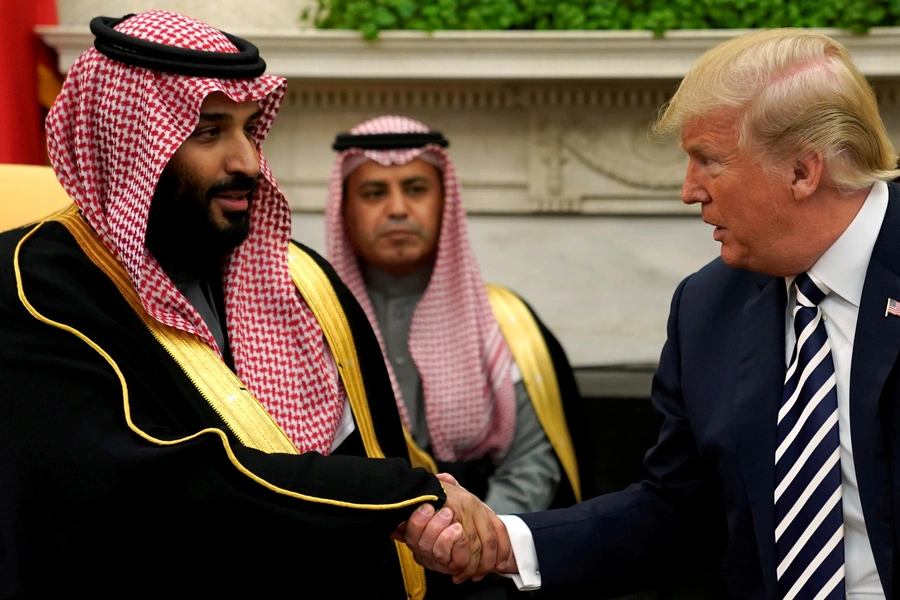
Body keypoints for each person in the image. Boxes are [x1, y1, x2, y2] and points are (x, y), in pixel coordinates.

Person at [0, 11, 507, 596]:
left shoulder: (301, 282)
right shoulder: (36, 285)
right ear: (131, 143)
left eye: (249, 128)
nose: (246, 162)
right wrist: (403, 494)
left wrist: (435, 524)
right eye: (210, 131)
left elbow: (365, 450)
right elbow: (156, 481)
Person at [403, 27, 900, 599]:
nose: (689, 191)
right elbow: (679, 511)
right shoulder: (708, 307)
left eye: (708, 161)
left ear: (802, 172)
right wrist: (502, 541)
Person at [324, 116, 588, 519]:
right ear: (345, 209)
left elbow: (531, 462)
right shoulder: (308, 323)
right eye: (374, 193)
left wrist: (473, 544)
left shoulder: (506, 322)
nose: (397, 209)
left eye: (415, 189)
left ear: (444, 202)